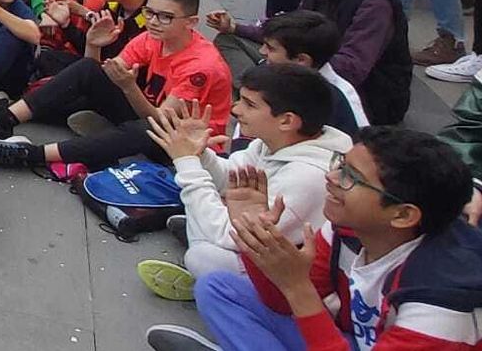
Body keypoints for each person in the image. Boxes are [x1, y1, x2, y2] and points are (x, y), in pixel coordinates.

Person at [149, 127, 482, 351]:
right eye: (341, 163)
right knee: (218, 287)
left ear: (403, 215)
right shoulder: (347, 228)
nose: (331, 176)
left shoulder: (442, 304)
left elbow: (299, 296)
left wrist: (297, 287)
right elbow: (282, 304)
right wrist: (255, 237)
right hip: (349, 338)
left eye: (351, 176)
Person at [136, 64, 353, 302]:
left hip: (293, 285)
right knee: (200, 198)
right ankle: (199, 232)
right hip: (257, 243)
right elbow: (232, 179)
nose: (235, 109)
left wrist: (186, 163)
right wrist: (199, 154)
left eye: (249, 104)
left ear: (287, 120)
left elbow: (231, 236)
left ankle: (225, 293)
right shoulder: (279, 140)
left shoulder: (308, 177)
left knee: (201, 256)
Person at [0, 0, 233, 180]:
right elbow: (101, 77)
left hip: (187, 145)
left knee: (144, 130)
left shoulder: (201, 66)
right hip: (150, 116)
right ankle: (3, 119)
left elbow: (161, 123)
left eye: (165, 17)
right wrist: (93, 45)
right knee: (86, 69)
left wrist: (129, 87)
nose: (154, 21)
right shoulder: (153, 37)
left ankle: (31, 154)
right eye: (150, 13)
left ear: (191, 23)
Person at [207, 0, 411, 127]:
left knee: (272, 62)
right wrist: (235, 28)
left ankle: (263, 96)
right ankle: (261, 96)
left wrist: (287, 67)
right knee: (229, 40)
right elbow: (293, 28)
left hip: (365, 95)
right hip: (306, 62)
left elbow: (352, 69)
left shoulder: (374, 3)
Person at [253, 10, 371, 136]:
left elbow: (358, 146)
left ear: (301, 60)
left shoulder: (342, 101)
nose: (262, 51)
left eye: (271, 48)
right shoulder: (271, 74)